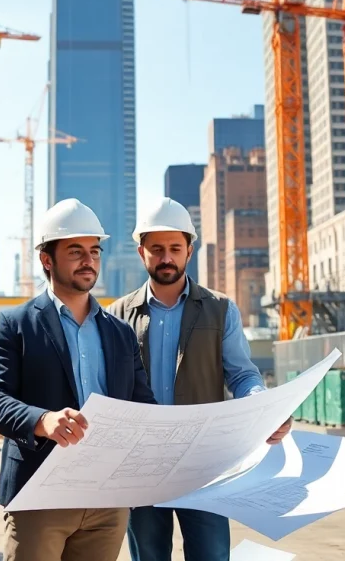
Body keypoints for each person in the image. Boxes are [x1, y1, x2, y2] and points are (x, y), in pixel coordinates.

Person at [106, 197, 292, 561]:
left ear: (189, 251)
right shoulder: (117, 314)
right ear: (141, 252)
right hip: (142, 463)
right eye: (156, 249)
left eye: (175, 248)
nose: (166, 257)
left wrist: (262, 407)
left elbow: (242, 373)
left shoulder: (220, 308)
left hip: (205, 461)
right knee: (148, 557)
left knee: (211, 555)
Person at [0, 198, 156, 561]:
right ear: (47, 259)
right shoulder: (15, 324)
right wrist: (42, 421)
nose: (88, 260)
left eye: (94, 250)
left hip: (107, 500)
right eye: (76, 251)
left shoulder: (120, 333)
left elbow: (143, 405)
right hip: (39, 497)